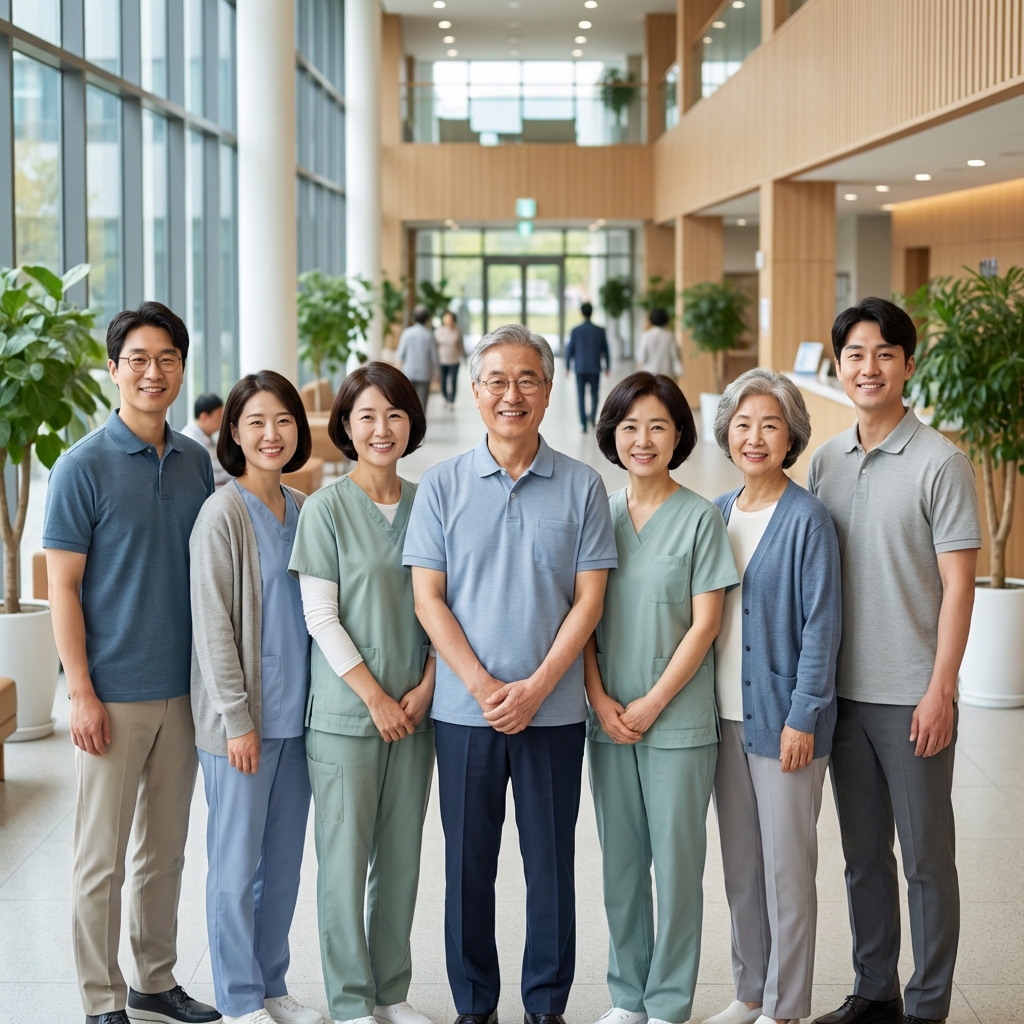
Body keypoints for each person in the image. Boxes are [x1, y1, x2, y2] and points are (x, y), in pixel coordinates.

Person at [404, 324, 618, 1024]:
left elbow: (590, 599)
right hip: (466, 716)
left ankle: (546, 1005)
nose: (511, 393)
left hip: (553, 713)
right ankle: (474, 1005)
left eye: (527, 379)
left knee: (550, 870)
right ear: (473, 390)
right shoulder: (440, 486)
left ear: (550, 391)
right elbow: (427, 598)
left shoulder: (585, 486)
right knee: (468, 870)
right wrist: (484, 687)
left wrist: (534, 687)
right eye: (496, 380)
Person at [43, 302, 219, 1024]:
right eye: (138, 359)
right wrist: (79, 693)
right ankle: (100, 998)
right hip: (112, 694)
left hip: (185, 690)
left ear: (181, 368)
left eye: (167, 358)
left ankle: (154, 978)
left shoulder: (194, 461)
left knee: (165, 852)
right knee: (101, 860)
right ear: (113, 369)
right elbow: (61, 585)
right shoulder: (81, 466)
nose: (153, 372)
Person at [808, 298, 980, 1024]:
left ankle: (928, 1004)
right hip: (842, 696)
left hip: (913, 697)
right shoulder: (825, 460)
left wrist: (941, 690)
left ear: (909, 364)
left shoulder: (942, 462)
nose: (868, 366)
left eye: (884, 353)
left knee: (926, 862)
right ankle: (874, 988)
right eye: (854, 353)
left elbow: (959, 587)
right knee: (860, 857)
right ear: (839, 365)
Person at [586, 372, 739, 1024]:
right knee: (621, 868)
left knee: (677, 870)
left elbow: (706, 625)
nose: (641, 439)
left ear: (679, 435)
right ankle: (629, 997)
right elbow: (581, 619)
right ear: (611, 435)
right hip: (607, 718)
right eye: (628, 427)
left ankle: (670, 1002)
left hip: (676, 721)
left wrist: (650, 703)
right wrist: (599, 698)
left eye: (656, 426)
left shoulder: (700, 518)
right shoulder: (599, 515)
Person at [289, 362, 436, 1024]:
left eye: (395, 414)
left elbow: (444, 606)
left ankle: (390, 993)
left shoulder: (430, 502)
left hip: (419, 710)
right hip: (349, 716)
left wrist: (429, 683)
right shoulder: (324, 508)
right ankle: (349, 1002)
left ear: (412, 424)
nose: (382, 429)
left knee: (401, 858)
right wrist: (375, 696)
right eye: (368, 416)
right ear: (345, 426)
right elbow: (320, 616)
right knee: (345, 864)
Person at [703, 369, 842, 1024]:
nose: (753, 437)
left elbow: (823, 628)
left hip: (784, 721)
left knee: (788, 872)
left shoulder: (809, 520)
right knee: (742, 868)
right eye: (742, 424)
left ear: (791, 437)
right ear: (725, 432)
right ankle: (750, 990)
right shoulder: (717, 514)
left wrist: (805, 717)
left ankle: (785, 1008)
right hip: (722, 720)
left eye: (769, 425)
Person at [190, 371, 320, 1024]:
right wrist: (238, 721)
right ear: (233, 434)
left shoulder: (299, 509)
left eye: (284, 421)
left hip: (298, 724)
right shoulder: (221, 516)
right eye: (256, 423)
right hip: (241, 729)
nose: (272, 435)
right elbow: (214, 628)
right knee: (235, 872)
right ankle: (240, 1001)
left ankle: (272, 986)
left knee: (283, 870)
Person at [565, 301, 611, 433]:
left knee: (580, 395)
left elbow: (570, 349)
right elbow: (605, 350)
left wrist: (567, 366)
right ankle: (592, 418)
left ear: (581, 313)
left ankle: (583, 424)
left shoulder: (575, 331)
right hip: (595, 367)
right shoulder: (599, 330)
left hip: (580, 367)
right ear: (592, 312)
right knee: (594, 394)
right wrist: (607, 366)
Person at [181, 392, 231, 487]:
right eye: (219, 416)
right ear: (204, 417)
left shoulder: (210, 437)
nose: (223, 421)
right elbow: (208, 473)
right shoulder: (190, 439)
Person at [397, 305, 440, 414]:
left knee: (409, 399)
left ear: (414, 318)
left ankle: (410, 420)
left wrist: (397, 372)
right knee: (422, 400)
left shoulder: (407, 333)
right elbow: (435, 357)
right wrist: (437, 373)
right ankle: (420, 422)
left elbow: (400, 354)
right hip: (424, 373)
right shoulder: (429, 335)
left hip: (409, 372)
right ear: (427, 319)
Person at [635, 308, 683, 379]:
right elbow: (675, 354)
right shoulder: (669, 336)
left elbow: (641, 357)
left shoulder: (646, 335)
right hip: (667, 374)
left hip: (650, 373)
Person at [436, 309, 464, 410]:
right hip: (442, 360)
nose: (447, 320)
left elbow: (461, 344)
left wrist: (463, 356)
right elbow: (435, 346)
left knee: (453, 380)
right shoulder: (439, 331)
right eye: (446, 317)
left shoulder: (457, 330)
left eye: (450, 318)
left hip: (455, 360)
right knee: (443, 382)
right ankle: (446, 398)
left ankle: (451, 400)